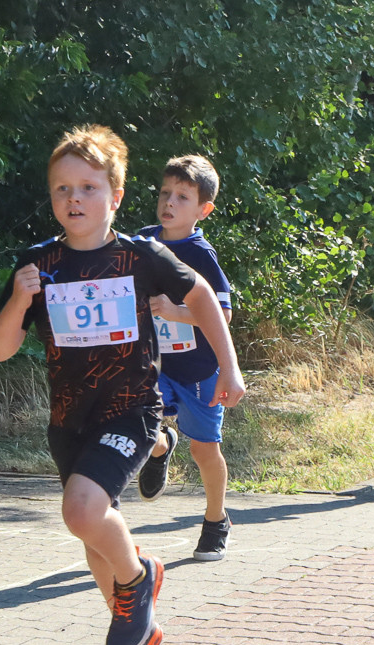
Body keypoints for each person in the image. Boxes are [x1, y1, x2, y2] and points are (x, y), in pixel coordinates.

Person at [0, 125, 245, 645]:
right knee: (94, 539)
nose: (73, 199)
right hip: (69, 420)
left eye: (87, 187)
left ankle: (142, 580)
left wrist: (229, 366)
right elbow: (1, 349)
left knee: (81, 511)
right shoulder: (40, 263)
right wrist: (21, 298)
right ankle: (131, 637)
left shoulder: (140, 255)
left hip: (130, 410)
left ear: (117, 196)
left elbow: (200, 296)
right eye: (61, 189)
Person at [135, 155, 235, 561]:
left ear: (203, 210)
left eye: (182, 196)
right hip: (153, 364)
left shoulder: (200, 253)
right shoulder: (142, 242)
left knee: (204, 450)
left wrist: (176, 311)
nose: (169, 203)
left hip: (198, 370)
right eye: (165, 193)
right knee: (137, 426)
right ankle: (160, 446)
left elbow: (223, 315)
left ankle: (216, 520)